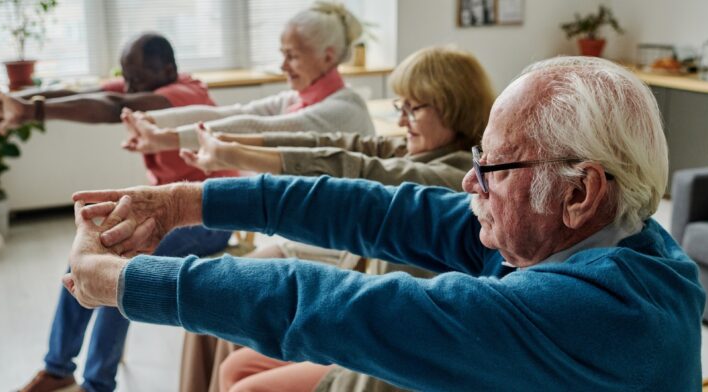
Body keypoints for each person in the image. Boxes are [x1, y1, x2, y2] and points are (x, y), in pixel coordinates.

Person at [64, 56, 705, 390]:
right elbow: (378, 209)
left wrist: (123, 282)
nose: (469, 180)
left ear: (579, 193)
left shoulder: (599, 310)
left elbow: (346, 308)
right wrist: (186, 204)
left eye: (494, 165)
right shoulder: (590, 236)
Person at [160, 46, 492, 392]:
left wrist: (231, 156)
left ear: (454, 106)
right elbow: (329, 144)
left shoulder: (451, 175)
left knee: (242, 362)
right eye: (400, 106)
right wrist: (227, 146)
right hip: (364, 303)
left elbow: (357, 168)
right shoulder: (420, 149)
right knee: (234, 352)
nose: (401, 120)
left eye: (414, 108)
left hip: (385, 337)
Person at [0, 33, 234, 392]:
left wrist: (31, 111)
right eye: (126, 74)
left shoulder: (184, 94)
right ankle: (58, 368)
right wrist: (13, 101)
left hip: (209, 215)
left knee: (119, 269)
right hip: (165, 207)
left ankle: (97, 384)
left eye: (136, 76)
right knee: (84, 255)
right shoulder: (146, 80)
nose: (128, 83)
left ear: (168, 69)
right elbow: (82, 95)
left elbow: (113, 103)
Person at [120, 1, 374, 157]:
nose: (283, 65)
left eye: (292, 56)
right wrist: (153, 120)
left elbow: (259, 129)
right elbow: (229, 114)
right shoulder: (296, 99)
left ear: (327, 57)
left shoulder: (343, 110)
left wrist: (166, 139)